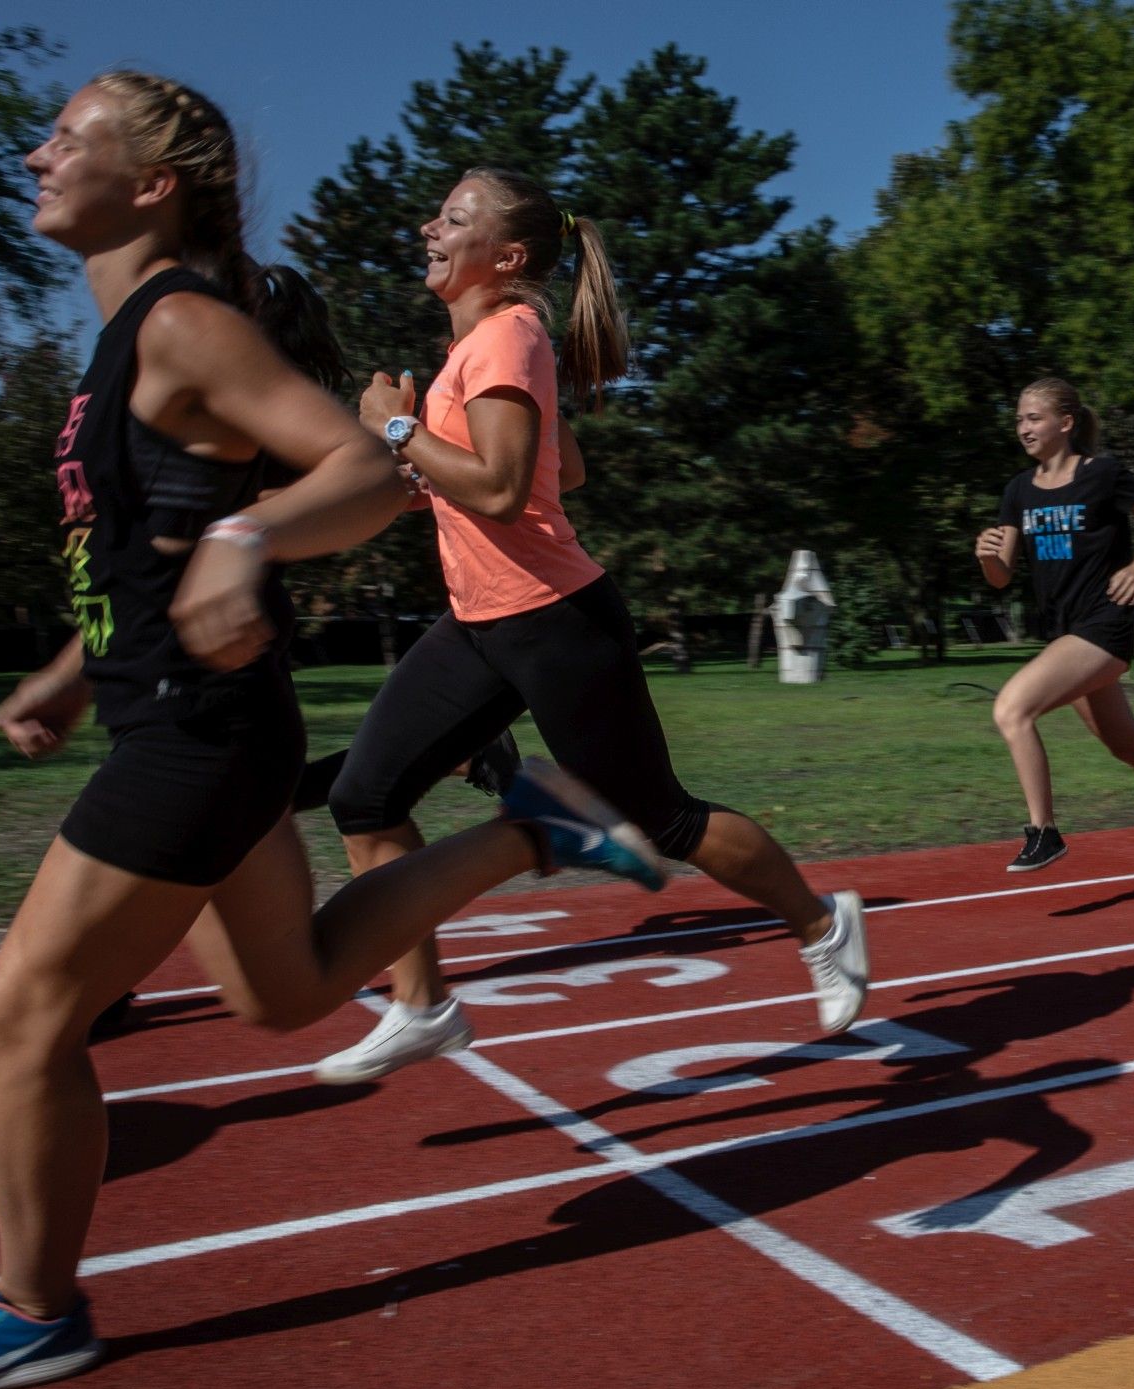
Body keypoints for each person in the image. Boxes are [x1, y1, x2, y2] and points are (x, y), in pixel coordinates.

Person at [0, 73, 665, 1389]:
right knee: (290, 992)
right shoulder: (127, 339)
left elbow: (360, 469)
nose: (37, 151)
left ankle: (30, 1311)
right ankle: (535, 825)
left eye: (69, 137)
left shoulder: (180, 324)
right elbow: (142, 557)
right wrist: (72, 672)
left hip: (195, 739)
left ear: (153, 183)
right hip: (192, 719)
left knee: (23, 1021)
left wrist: (246, 537)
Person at [309, 166, 868, 1085]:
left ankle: (822, 923)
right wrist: (425, 480)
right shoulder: (486, 348)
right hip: (479, 625)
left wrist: (401, 432)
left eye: (453, 219)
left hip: (557, 623)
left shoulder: (507, 335)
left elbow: (496, 485)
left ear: (509, 255)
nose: (427, 228)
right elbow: (554, 474)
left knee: (663, 819)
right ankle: (422, 1007)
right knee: (364, 799)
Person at [974, 377, 1134, 875]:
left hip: (1104, 624)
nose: (1023, 427)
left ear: (1066, 423)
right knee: (1125, 745)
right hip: (1066, 633)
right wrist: (985, 559)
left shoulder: (1103, 474)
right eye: (1019, 419)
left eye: (1034, 418)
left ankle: (1043, 832)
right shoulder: (1018, 491)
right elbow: (1001, 576)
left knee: (1011, 708)